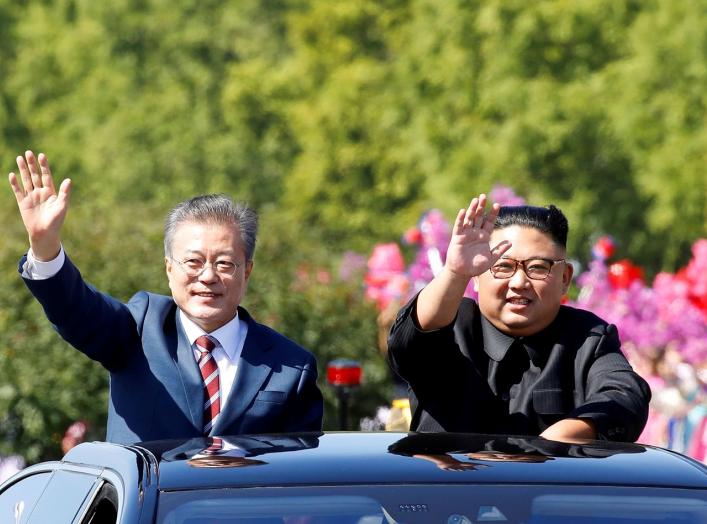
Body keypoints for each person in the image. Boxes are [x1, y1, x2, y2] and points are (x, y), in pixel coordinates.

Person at [9, 150, 323, 444]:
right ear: (169, 268)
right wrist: (45, 248)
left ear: (247, 271)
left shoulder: (291, 367)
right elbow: (77, 309)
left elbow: (300, 482)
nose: (209, 275)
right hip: (147, 503)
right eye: (193, 261)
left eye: (225, 263)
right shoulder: (138, 331)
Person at [387, 194, 651, 442]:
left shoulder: (587, 337)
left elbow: (625, 395)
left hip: (551, 487)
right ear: (477, 276)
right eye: (502, 266)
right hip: (453, 488)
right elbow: (409, 342)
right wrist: (455, 272)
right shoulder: (454, 325)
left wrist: (568, 434)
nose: (519, 282)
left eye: (538, 267)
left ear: (565, 279)